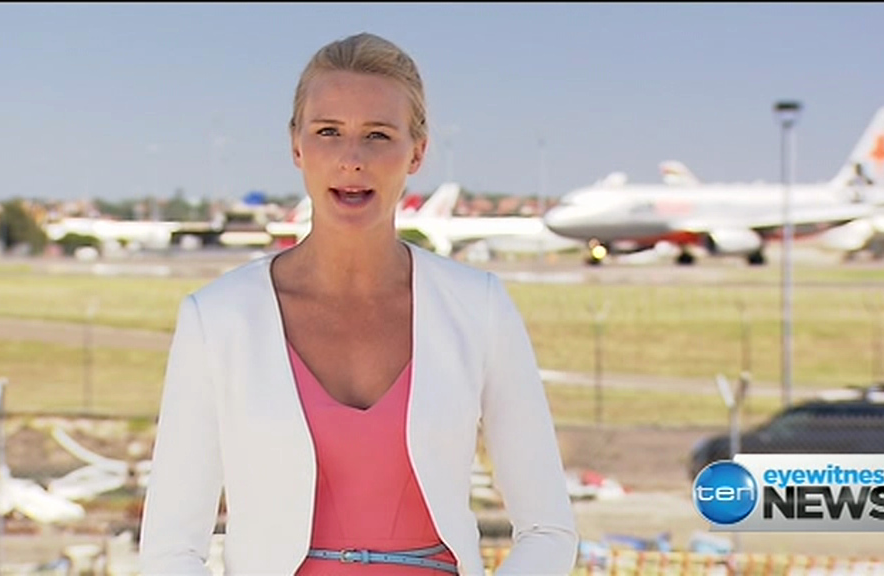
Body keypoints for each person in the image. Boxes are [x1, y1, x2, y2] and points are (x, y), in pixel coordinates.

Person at [139, 32, 578, 575]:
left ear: (416, 151)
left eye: (377, 135)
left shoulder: (478, 307)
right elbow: (170, 549)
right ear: (296, 145)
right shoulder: (217, 319)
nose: (351, 159)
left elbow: (548, 529)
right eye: (328, 132)